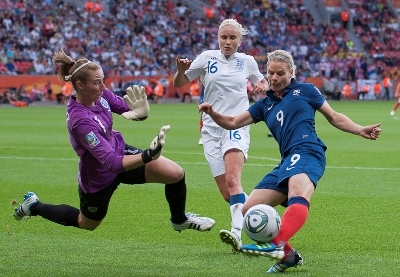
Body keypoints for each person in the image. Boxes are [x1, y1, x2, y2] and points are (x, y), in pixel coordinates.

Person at [199, 49, 381, 273]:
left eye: (279, 73)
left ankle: (275, 245)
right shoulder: (264, 104)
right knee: (248, 211)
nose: (273, 78)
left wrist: (360, 129)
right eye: (270, 73)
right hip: (287, 160)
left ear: (292, 72)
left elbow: (333, 117)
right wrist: (213, 113)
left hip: (308, 151)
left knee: (297, 192)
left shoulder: (306, 90)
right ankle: (288, 256)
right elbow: (233, 121)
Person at [13, 49, 215, 235]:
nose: (103, 87)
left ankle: (179, 220)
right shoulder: (80, 121)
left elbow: (128, 111)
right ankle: (34, 206)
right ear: (80, 85)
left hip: (120, 150)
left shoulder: (101, 94)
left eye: (103, 80)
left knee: (175, 174)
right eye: (97, 82)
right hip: (99, 174)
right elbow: (111, 163)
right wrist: (147, 155)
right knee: (87, 223)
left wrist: (141, 112)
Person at [173, 18, 269, 253]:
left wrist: (262, 86)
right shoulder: (206, 58)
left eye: (232, 37)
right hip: (210, 128)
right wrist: (180, 71)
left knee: (233, 180)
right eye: (224, 37)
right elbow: (180, 84)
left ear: (240, 40)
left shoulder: (247, 62)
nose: (228, 42)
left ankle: (236, 235)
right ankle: (263, 216)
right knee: (228, 194)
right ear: (218, 38)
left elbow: (264, 83)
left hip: (236, 125)